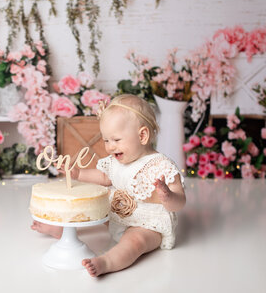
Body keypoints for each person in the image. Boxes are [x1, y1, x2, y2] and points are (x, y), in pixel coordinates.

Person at [31, 94, 186, 277]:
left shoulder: (160, 165)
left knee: (134, 242)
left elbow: (180, 201)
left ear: (142, 135)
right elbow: (104, 177)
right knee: (92, 213)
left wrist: (168, 196)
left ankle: (107, 262)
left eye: (116, 140)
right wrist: (78, 174)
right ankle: (66, 231)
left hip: (148, 223)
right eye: (106, 140)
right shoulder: (116, 161)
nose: (110, 147)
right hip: (118, 214)